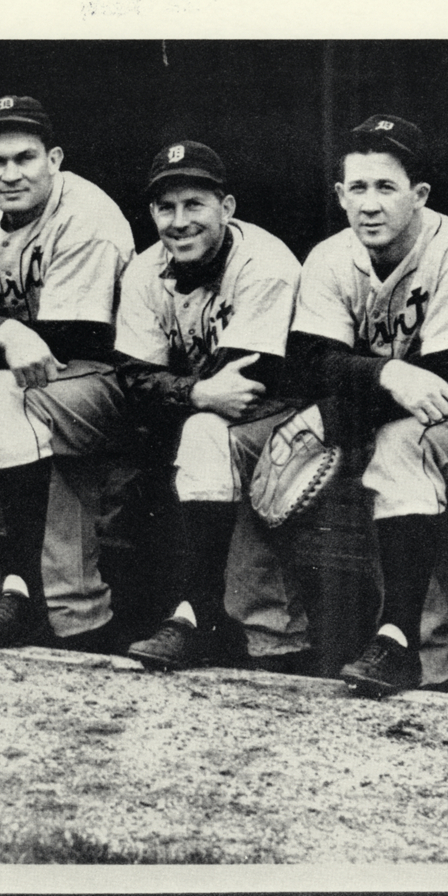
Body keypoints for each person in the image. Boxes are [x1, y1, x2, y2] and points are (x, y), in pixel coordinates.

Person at [273, 114, 448, 697]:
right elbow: (311, 362)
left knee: (402, 446)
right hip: (386, 412)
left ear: (419, 195)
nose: (370, 204)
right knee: (384, 446)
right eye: (357, 188)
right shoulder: (331, 257)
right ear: (340, 195)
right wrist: (387, 372)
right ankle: (392, 653)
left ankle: (405, 643)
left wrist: (339, 410)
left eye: (386, 187)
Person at [0, 95, 135, 649]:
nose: (10, 174)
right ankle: (47, 604)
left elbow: (70, 340)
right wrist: (6, 334)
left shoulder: (90, 215)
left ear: (54, 159)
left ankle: (29, 586)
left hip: (105, 379)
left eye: (25, 158)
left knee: (8, 393)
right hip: (19, 373)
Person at [114, 142, 311, 671]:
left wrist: (179, 394)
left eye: (194, 205)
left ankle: (203, 619)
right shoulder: (144, 270)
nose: (179, 221)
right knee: (194, 433)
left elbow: (246, 382)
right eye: (165, 207)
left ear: (226, 208)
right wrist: (195, 393)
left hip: (288, 411)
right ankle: (198, 618)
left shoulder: (264, 263)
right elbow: (133, 378)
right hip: (205, 412)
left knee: (206, 434)